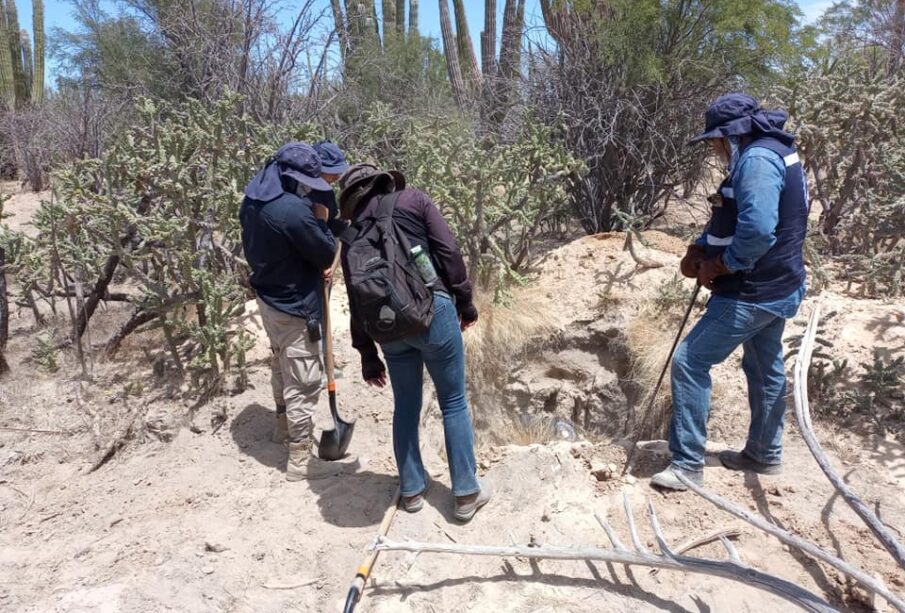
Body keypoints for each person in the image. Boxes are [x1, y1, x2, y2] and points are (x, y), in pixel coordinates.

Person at [650, 93, 809, 491]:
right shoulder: (773, 151)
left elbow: (756, 230)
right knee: (763, 365)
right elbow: (736, 217)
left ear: (731, 135)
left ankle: (687, 465)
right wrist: (701, 246)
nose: (715, 149)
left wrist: (722, 265)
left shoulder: (755, 161)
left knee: (689, 360)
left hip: (753, 289)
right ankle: (763, 452)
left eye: (716, 141)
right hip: (781, 284)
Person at [337, 163, 492, 522]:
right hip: (430, 313)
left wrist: (367, 355)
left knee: (405, 407)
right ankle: (466, 493)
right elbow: (448, 252)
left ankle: (411, 490)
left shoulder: (352, 236)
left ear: (352, 200)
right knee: (453, 402)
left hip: (389, 331)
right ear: (383, 183)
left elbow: (356, 299)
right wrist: (465, 302)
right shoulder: (413, 200)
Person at [240, 142, 339, 481]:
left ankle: (281, 428)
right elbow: (325, 254)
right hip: (296, 306)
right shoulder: (291, 211)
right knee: (304, 378)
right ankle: (299, 460)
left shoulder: (252, 201)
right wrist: (323, 223)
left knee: (282, 365)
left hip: (268, 300)